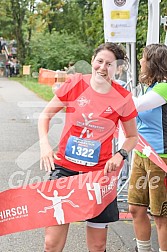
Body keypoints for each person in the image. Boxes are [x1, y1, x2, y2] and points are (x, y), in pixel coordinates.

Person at [38, 42, 138, 252]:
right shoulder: (75, 84)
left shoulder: (123, 97)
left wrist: (120, 154)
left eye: (109, 64)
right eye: (99, 61)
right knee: (51, 243)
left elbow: (132, 137)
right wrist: (45, 145)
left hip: (98, 176)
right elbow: (45, 115)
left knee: (98, 245)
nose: (102, 67)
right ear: (92, 61)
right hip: (65, 170)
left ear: (117, 68)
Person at [128, 44, 167, 252]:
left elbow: (133, 106)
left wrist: (109, 90)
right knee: (135, 208)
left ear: (153, 62)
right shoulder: (151, 88)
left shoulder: (164, 87)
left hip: (161, 159)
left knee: (161, 214)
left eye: (143, 58)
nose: (141, 62)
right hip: (142, 154)